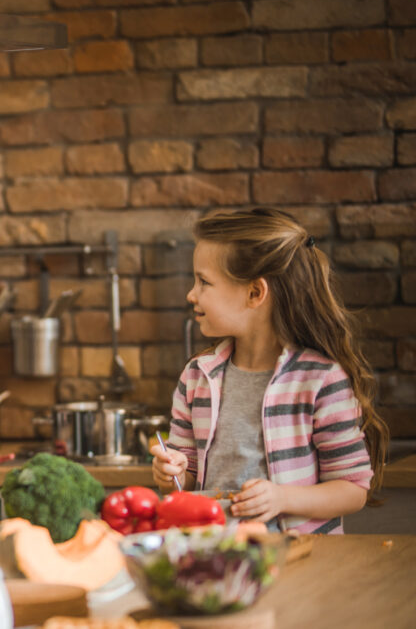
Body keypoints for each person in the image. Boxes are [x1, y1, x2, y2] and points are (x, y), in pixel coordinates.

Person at [150, 208, 389, 534]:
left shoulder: (320, 380)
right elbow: (186, 479)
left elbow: (352, 489)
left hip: (302, 556)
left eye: (204, 281)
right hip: (218, 551)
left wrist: (281, 499)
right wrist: (173, 473)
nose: (191, 294)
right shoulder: (196, 377)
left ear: (255, 293)